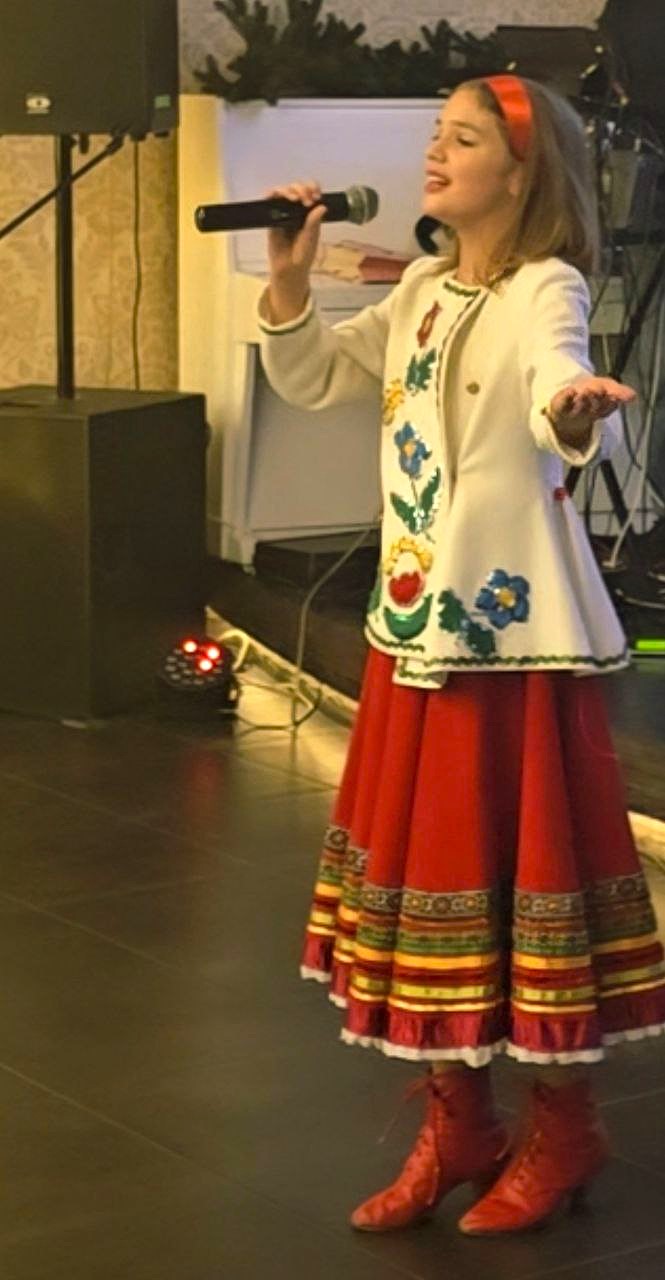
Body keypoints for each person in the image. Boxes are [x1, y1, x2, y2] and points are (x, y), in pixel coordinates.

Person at [256, 74, 665, 1236]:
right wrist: (288, 279)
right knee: (425, 873)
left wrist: (573, 410)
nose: (434, 152)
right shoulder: (423, 289)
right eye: (435, 135)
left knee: (513, 867)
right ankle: (459, 1121)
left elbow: (553, 380)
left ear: (521, 173)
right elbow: (316, 375)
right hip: (414, 629)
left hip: (502, 639)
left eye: (463, 139)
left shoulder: (546, 287)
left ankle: (562, 1124)